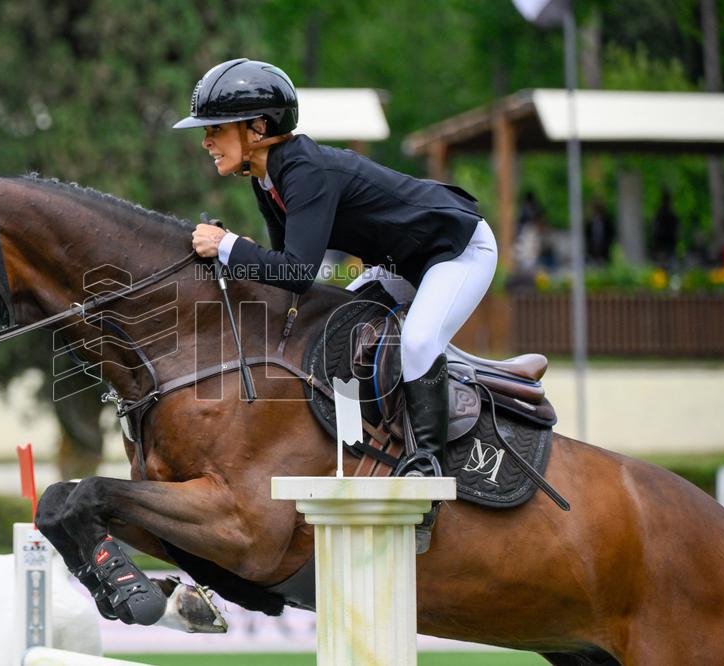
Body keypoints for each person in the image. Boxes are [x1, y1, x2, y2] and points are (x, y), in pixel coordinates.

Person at [174, 58, 497, 491]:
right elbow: (284, 274)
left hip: (457, 249)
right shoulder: (266, 177)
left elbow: (298, 273)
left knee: (419, 342)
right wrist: (231, 257)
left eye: (215, 129)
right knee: (335, 324)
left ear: (256, 128)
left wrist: (227, 245)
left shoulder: (306, 171)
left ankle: (427, 468)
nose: (206, 142)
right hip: (402, 264)